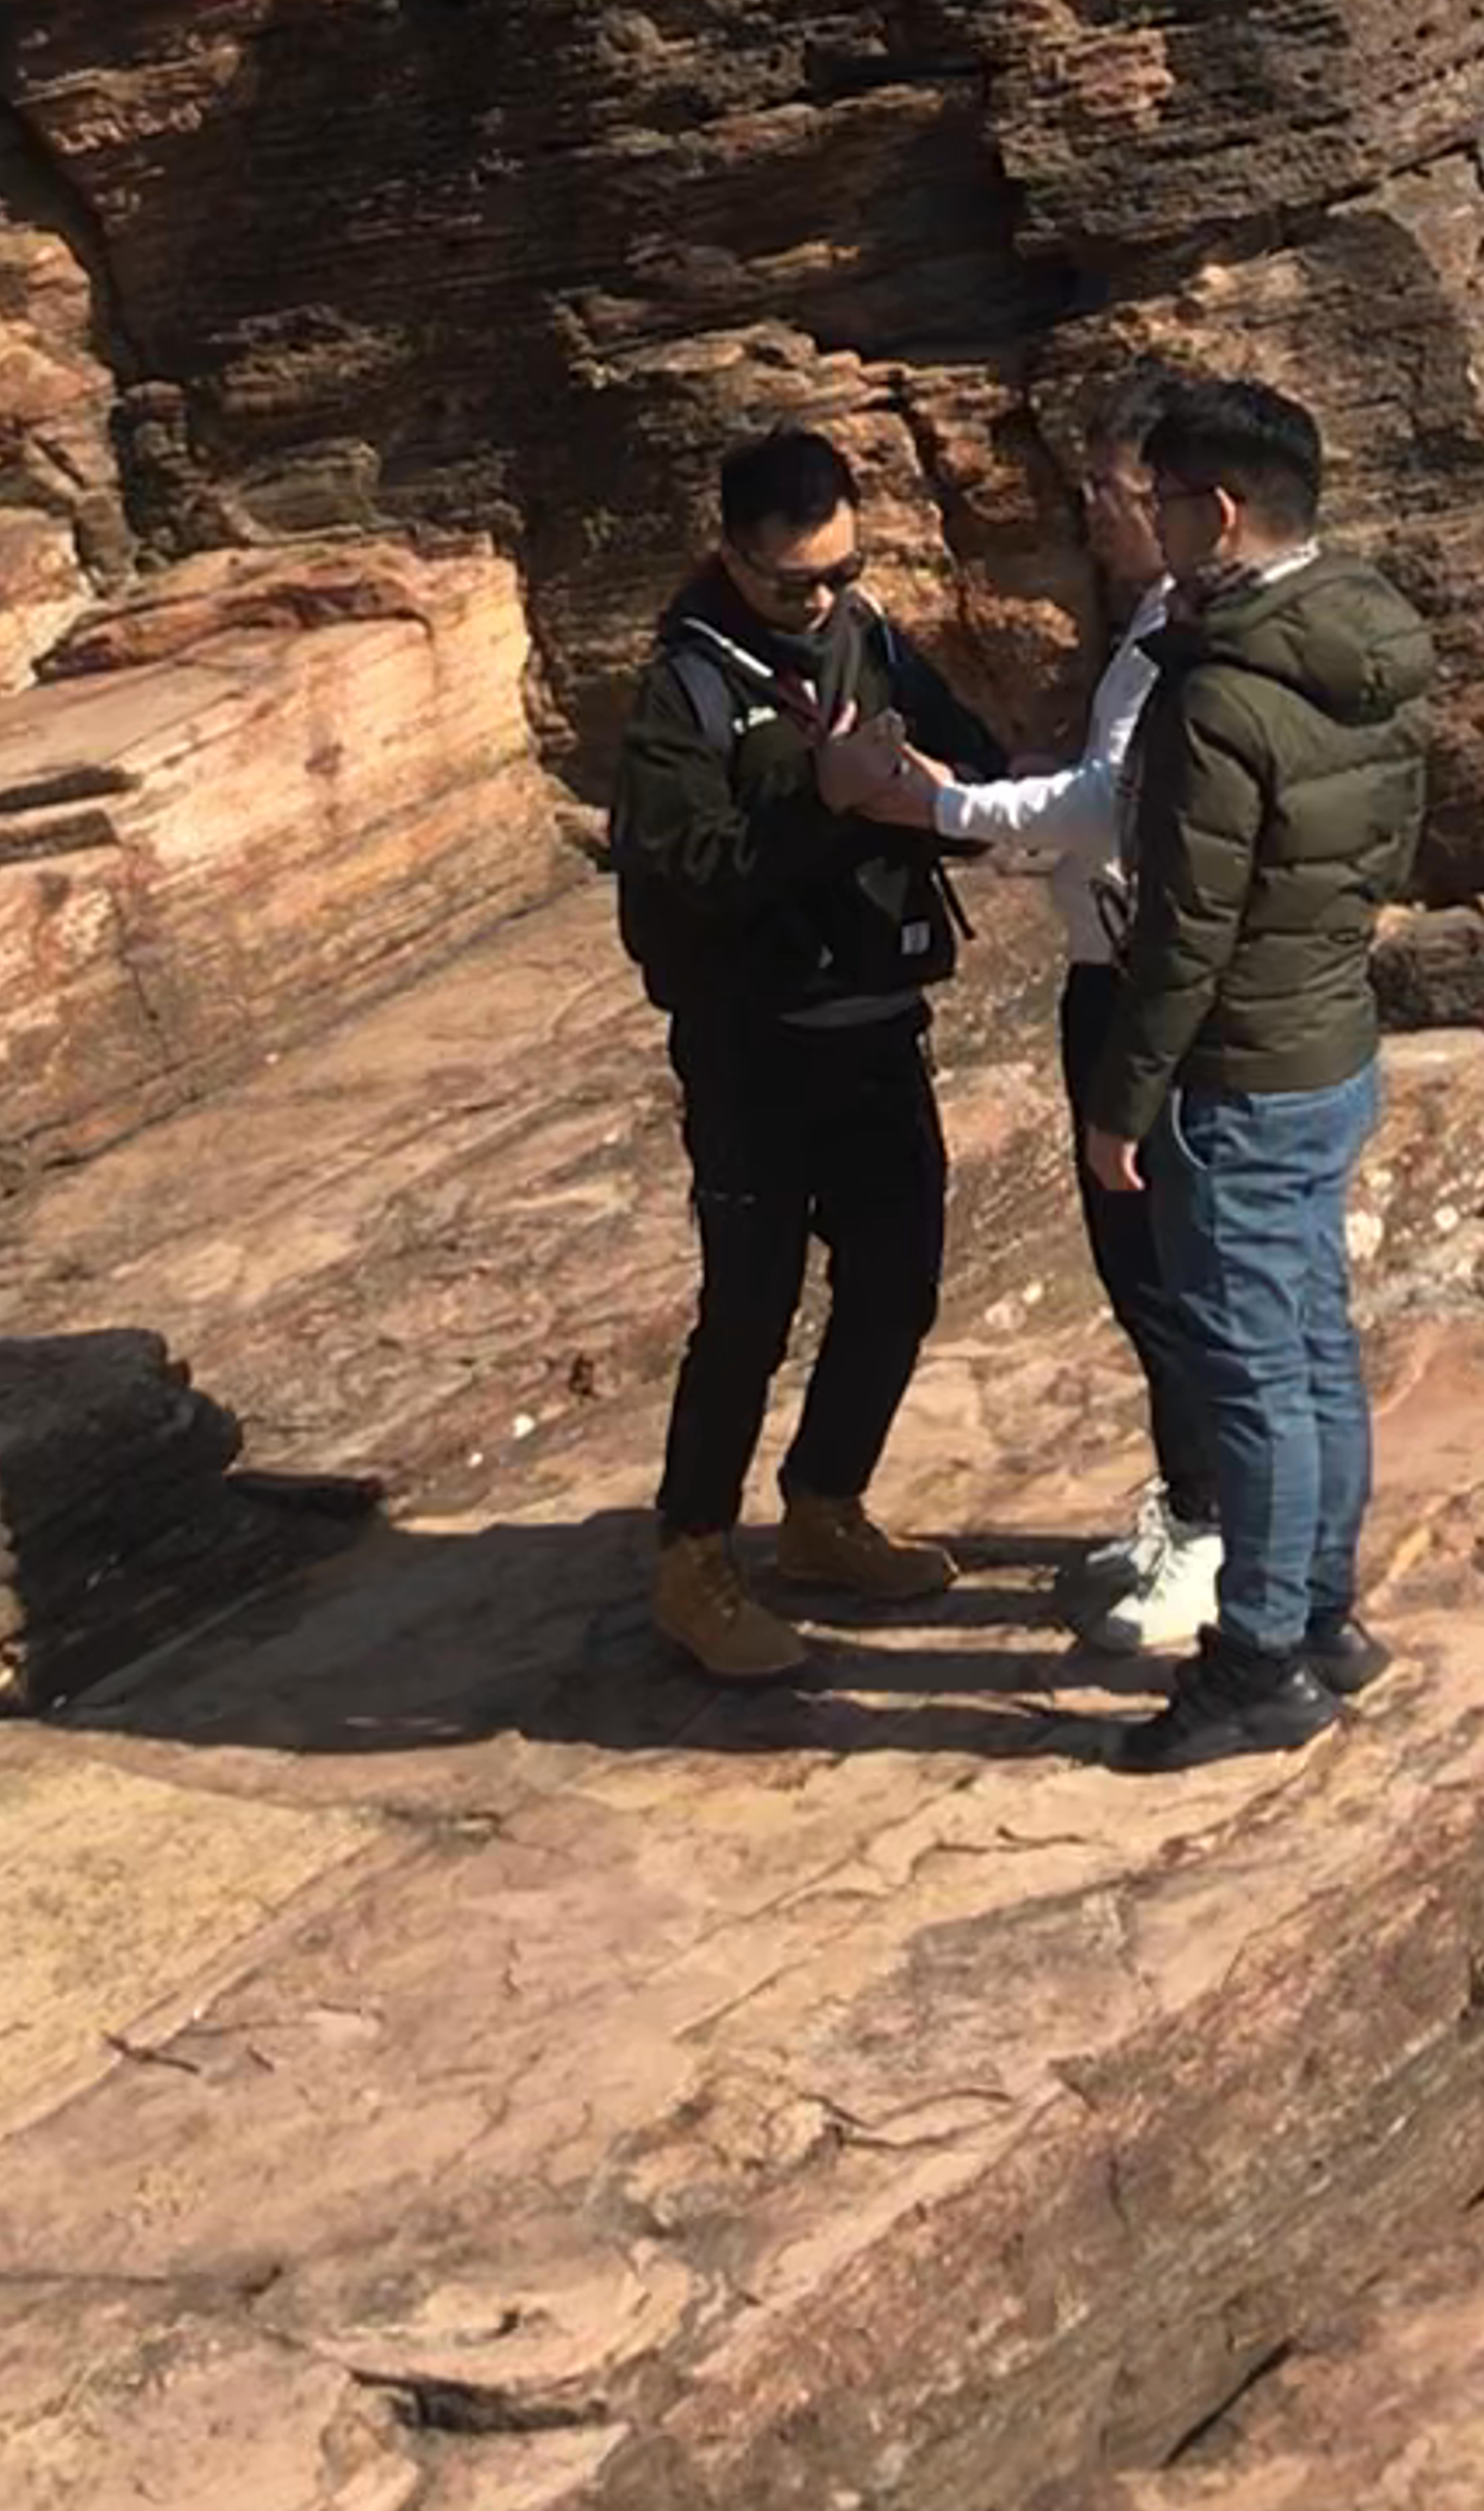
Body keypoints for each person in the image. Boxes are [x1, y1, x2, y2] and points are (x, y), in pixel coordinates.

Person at [1068, 379, 1434, 1772]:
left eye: (1160, 499)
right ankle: (1324, 1618)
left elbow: (1184, 930)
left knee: (1255, 1379)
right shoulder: (1366, 635)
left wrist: (1120, 1100)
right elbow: (1381, 849)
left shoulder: (1220, 690)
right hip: (1330, 1042)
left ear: (1218, 511)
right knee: (1313, 1349)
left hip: (1237, 1075)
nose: (1146, 521)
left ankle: (1258, 1663)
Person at [607, 423, 1008, 1681]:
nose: (822, 598)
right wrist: (822, 800)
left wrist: (929, 786)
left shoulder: (867, 636)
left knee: (897, 1280)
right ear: (732, 554)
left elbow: (977, 768)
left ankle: (826, 1505)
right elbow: (695, 869)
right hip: (753, 1047)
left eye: (843, 569)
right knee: (750, 1306)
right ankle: (693, 1560)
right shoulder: (684, 691)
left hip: (876, 1018)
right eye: (794, 582)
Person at [831, 422, 1229, 1665]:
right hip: (1118, 974)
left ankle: (1213, 1534)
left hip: (1142, 992)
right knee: (1151, 1267)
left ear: (1181, 496)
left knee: (1165, 1271)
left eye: (1113, 486)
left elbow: (1114, 807)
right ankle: (1203, 1507)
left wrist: (941, 801)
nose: (1094, 508)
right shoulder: (1164, 615)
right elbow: (1106, 787)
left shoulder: (1180, 631)